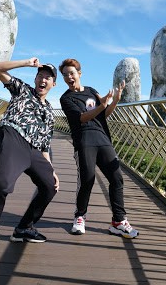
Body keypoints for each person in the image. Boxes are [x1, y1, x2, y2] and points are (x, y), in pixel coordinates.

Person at [0, 58, 60, 270]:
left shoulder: (50, 112)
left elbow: (45, 145)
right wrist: (27, 62)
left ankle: (24, 228)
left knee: (50, 186)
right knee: (0, 184)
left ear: (53, 84)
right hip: (14, 136)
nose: (43, 80)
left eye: (47, 78)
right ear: (35, 78)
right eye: (40, 76)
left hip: (34, 150)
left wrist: (51, 170)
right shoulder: (22, 90)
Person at [58, 58, 139, 239]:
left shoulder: (91, 91)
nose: (69, 77)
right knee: (87, 179)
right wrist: (102, 105)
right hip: (84, 140)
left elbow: (103, 115)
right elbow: (82, 118)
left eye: (71, 73)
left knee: (116, 178)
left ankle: (118, 221)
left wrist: (115, 100)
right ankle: (80, 216)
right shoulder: (66, 98)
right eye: (65, 75)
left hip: (102, 138)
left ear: (79, 73)